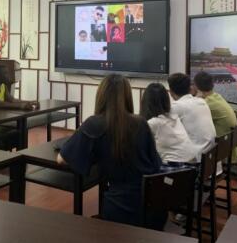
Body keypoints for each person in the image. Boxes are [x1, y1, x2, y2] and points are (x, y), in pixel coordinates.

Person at [57, 75, 165, 229]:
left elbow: (62, 159)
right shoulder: (141, 123)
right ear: (127, 96)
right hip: (152, 208)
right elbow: (156, 163)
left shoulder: (93, 124)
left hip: (119, 210)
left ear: (101, 95)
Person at [139, 83, 200, 164]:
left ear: (145, 102)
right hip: (192, 164)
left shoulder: (153, 123)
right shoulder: (174, 117)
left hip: (176, 168)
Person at [193, 71, 237, 162]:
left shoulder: (205, 104)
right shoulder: (216, 96)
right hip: (229, 143)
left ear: (196, 86)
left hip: (221, 149)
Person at [168, 73, 216, 153]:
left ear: (171, 92)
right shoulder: (202, 101)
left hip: (196, 156)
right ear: (190, 88)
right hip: (211, 153)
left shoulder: (176, 107)